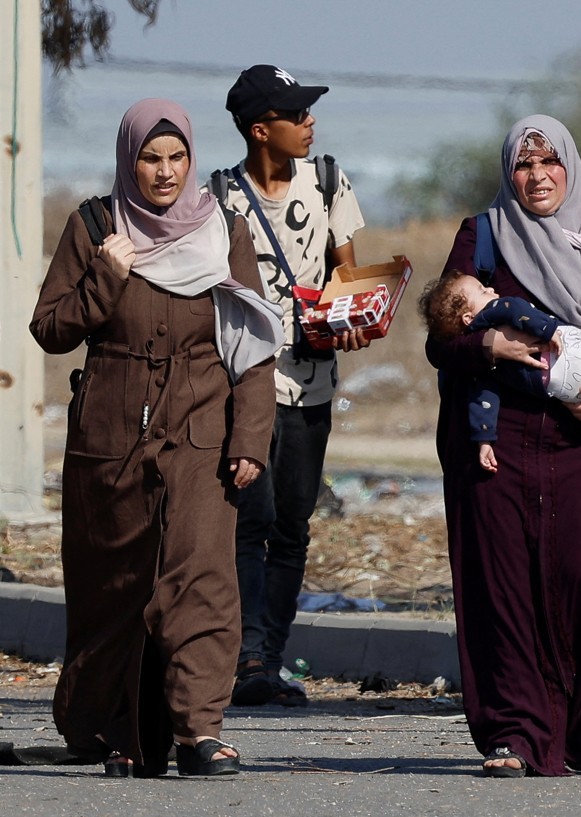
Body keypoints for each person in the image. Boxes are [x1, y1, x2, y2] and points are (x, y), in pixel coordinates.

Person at [30, 99, 281, 777]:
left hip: (202, 427)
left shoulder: (220, 231)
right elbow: (50, 328)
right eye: (150, 157)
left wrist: (250, 437)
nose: (165, 172)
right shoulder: (96, 225)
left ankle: (200, 730)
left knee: (202, 576)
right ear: (128, 158)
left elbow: (253, 347)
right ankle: (113, 727)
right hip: (111, 434)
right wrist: (106, 278)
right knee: (116, 586)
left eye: (176, 158)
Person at [426, 114, 581, 777]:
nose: (536, 176)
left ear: (571, 166)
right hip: (495, 439)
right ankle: (513, 734)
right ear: (508, 172)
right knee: (503, 590)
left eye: (549, 162)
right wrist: (489, 345)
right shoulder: (483, 235)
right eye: (523, 165)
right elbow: (441, 334)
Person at [209, 65, 368, 708]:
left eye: (309, 113)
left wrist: (352, 319)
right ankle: (245, 659)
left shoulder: (328, 180)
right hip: (246, 387)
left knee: (294, 526)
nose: (309, 124)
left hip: (314, 385)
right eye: (295, 116)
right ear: (259, 130)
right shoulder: (218, 198)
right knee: (252, 521)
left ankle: (269, 657)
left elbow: (348, 277)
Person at [418, 270, 581, 489]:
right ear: (469, 318)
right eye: (482, 291)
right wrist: (546, 329)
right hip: (569, 357)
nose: (491, 290)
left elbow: (484, 399)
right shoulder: (493, 314)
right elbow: (515, 307)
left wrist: (484, 439)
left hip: (558, 387)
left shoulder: (482, 365)